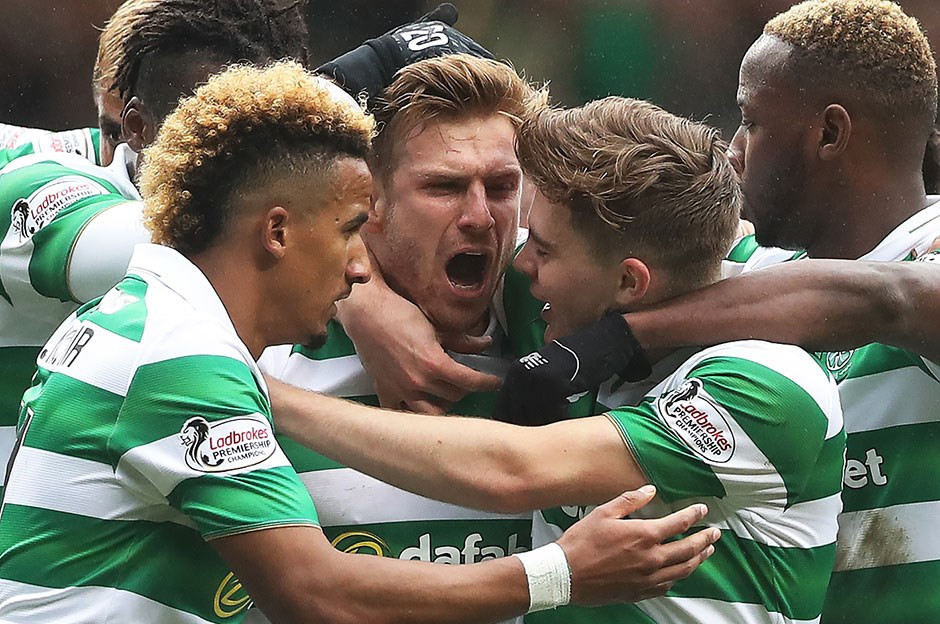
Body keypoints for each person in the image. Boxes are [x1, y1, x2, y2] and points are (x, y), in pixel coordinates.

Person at [0, 60, 718, 624]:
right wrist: (561, 574)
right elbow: (313, 592)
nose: (357, 272)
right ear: (279, 231)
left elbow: (741, 269)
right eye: (351, 230)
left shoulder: (152, 319)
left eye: (502, 188)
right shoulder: (178, 353)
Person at [267, 96, 844, 624]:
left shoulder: (764, 385)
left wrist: (258, 395)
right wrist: (368, 302)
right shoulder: (581, 316)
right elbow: (385, 231)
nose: (519, 263)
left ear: (629, 282)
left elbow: (512, 472)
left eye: (542, 249)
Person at [497, 2, 940, 623]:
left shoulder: (925, 254)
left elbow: (887, 300)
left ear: (830, 134)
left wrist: (620, 336)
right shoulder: (756, 277)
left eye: (750, 122)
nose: (733, 151)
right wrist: (372, 309)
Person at [0, 0, 492, 496]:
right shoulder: (37, 177)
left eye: (272, 132)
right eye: (214, 125)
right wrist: (365, 302)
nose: (240, 154)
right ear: (136, 126)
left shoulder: (317, 220)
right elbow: (189, 244)